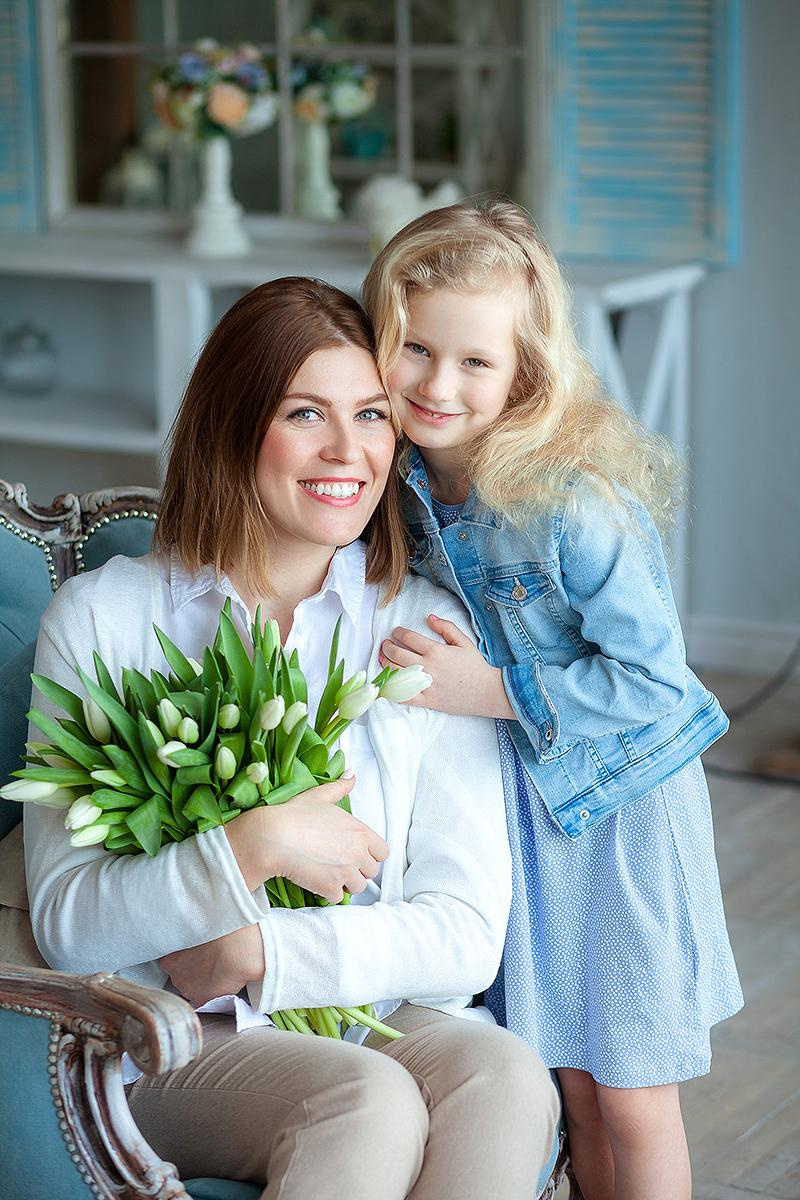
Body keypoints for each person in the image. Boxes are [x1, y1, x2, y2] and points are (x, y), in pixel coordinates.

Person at [21, 277, 560, 1200]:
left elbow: (468, 932)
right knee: (366, 1099)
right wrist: (251, 844)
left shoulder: (421, 630)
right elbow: (68, 923)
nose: (348, 452)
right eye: (307, 413)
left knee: (505, 1078)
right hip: (173, 1036)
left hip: (366, 1016)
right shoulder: (104, 618)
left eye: (374, 416)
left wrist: (258, 954)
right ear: (234, 422)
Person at [362, 201, 744, 1200]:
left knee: (628, 1092)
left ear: (523, 372)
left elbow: (655, 684)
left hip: (619, 816)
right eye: (413, 349)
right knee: (566, 1086)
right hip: (519, 817)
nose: (437, 385)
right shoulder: (397, 482)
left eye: (474, 362)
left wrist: (488, 687)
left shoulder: (569, 499)